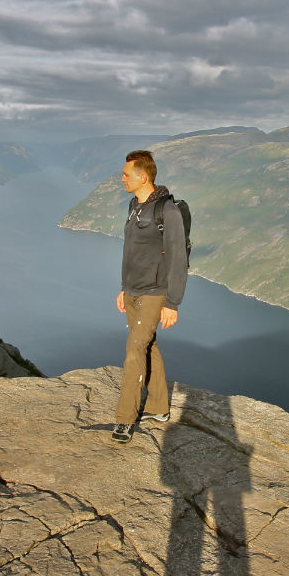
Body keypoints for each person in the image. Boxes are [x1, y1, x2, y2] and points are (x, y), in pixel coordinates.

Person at [112, 150, 187, 443]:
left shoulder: (167, 212)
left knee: (134, 352)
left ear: (143, 177)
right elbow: (132, 250)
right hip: (133, 290)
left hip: (155, 294)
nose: (122, 179)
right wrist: (123, 286)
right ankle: (158, 408)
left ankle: (125, 419)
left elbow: (178, 259)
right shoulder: (134, 205)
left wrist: (172, 302)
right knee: (147, 346)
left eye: (126, 174)